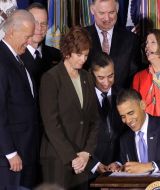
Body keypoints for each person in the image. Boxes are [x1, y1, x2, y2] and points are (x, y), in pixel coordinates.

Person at [39, 26, 99, 190]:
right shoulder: (51, 78)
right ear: (67, 52)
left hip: (82, 159)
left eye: (86, 55)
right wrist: (72, 157)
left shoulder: (87, 77)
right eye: (79, 55)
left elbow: (95, 119)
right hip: (58, 159)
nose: (83, 59)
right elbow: (51, 124)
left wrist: (86, 153)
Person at [0, 10, 40, 189]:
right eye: (27, 36)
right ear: (11, 32)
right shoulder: (1, 61)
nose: (30, 41)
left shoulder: (18, 58)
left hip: (26, 153)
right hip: (11, 160)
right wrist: (10, 152)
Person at [108, 89, 160, 173]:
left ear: (142, 105)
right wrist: (118, 164)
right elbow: (125, 162)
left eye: (131, 113)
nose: (128, 120)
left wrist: (149, 166)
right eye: (123, 116)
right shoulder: (125, 138)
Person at [85, 0, 141, 88]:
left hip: (121, 100)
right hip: (89, 100)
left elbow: (135, 76)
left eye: (111, 12)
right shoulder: (81, 37)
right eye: (102, 13)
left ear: (117, 10)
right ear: (92, 10)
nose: (107, 18)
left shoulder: (131, 39)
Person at [89, 52, 126, 176]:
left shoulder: (123, 95)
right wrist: (94, 164)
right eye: (100, 77)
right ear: (91, 74)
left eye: (110, 76)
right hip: (89, 169)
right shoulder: (83, 97)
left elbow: (128, 133)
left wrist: (119, 161)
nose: (106, 82)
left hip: (118, 168)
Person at [20, 2, 61, 88]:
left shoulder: (57, 54)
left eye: (43, 23)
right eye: (35, 23)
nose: (39, 28)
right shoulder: (14, 55)